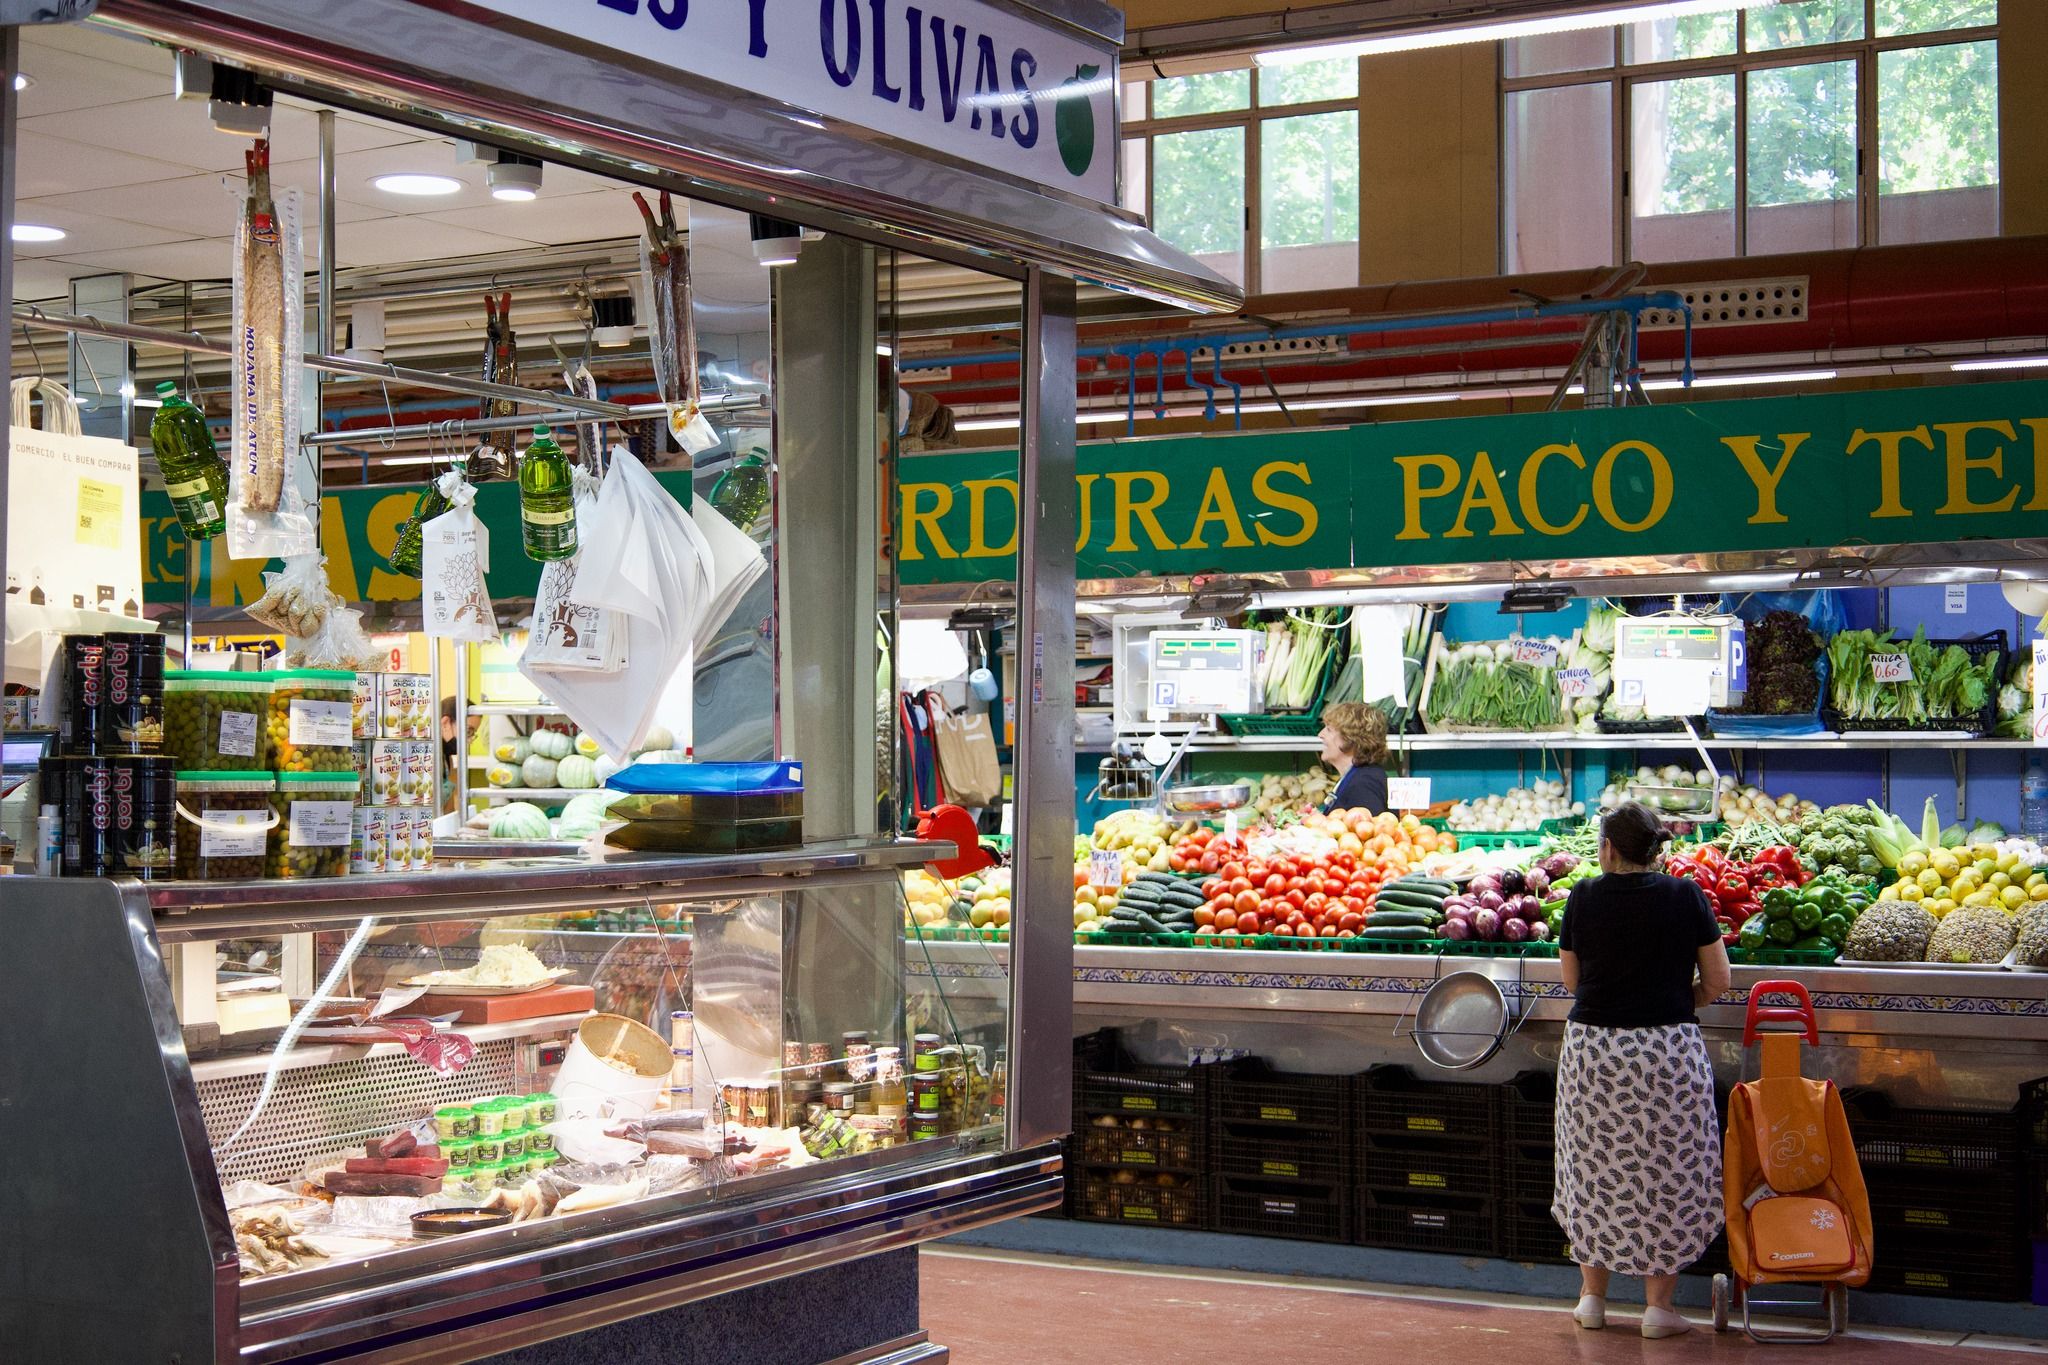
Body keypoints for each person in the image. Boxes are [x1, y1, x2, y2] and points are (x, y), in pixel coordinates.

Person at [1553, 801, 1731, 1339]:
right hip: (1666, 1051)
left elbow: (1571, 982)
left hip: (1594, 1053)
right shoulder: (1685, 895)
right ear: (1656, 850)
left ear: (1607, 848)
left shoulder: (1583, 896)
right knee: (1669, 1169)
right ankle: (1658, 1307)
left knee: (1593, 1167)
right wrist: (1675, 1001)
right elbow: (1719, 979)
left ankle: (1592, 1300)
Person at [1316, 701, 1389, 814]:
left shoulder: (1365, 784)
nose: (1320, 734)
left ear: (1350, 738)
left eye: (1329, 730)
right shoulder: (1357, 776)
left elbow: (1367, 829)